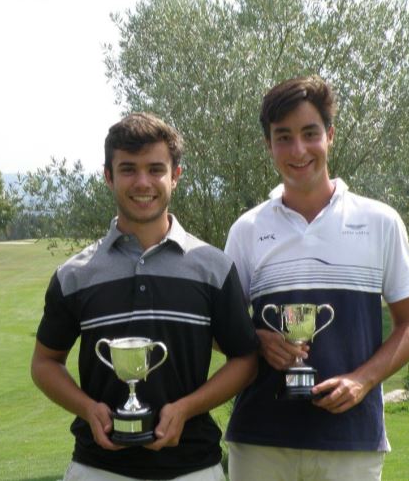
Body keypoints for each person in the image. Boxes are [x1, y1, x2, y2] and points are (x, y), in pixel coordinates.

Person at [31, 112, 259, 481]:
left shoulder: (213, 268)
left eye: (155, 169)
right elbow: (44, 363)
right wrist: (88, 409)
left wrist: (186, 408)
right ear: (108, 176)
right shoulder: (75, 274)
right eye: (128, 169)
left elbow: (245, 360)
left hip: (194, 468)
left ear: (176, 176)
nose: (143, 182)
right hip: (97, 467)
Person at [224, 76, 409, 481]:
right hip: (261, 438)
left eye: (309, 133)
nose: (298, 150)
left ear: (330, 136)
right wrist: (256, 339)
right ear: (269, 146)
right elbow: (221, 327)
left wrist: (362, 380)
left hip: (350, 438)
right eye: (283, 137)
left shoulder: (380, 221)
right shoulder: (246, 229)